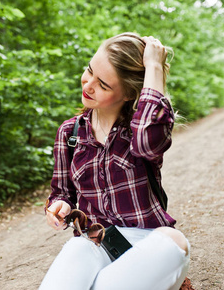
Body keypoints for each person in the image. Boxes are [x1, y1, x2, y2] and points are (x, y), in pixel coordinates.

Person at [40, 32, 190, 290]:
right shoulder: (70, 133)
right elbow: (62, 193)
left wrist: (154, 67)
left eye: (103, 85)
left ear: (130, 94)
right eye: (89, 71)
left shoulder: (140, 129)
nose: (88, 86)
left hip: (148, 244)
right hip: (94, 242)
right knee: (71, 262)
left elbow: (147, 142)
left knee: (173, 240)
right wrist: (59, 207)